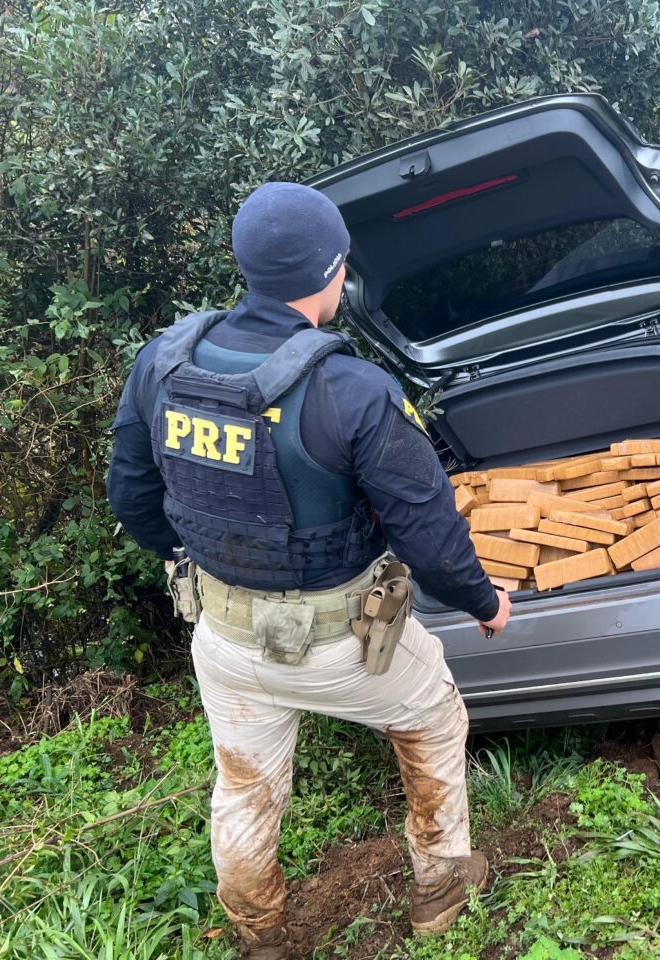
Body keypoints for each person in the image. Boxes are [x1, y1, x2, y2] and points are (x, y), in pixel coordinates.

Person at [107, 182, 511, 958]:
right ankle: (440, 886)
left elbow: (131, 497)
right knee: (434, 721)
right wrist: (484, 602)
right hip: (345, 648)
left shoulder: (163, 364)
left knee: (245, 786)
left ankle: (258, 934)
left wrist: (199, 557)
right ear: (336, 274)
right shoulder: (349, 390)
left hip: (223, 640)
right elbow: (426, 531)